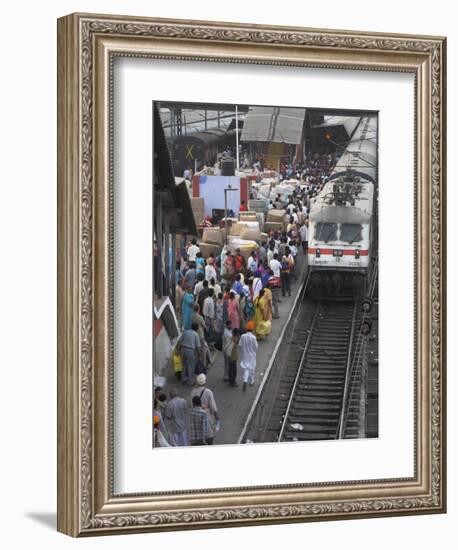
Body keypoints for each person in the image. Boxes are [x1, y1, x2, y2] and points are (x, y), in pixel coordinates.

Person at [190, 374, 219, 444]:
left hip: (195, 415)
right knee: (209, 434)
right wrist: (216, 416)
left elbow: (191, 405)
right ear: (205, 382)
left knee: (197, 432)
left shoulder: (193, 392)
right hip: (206, 414)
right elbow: (212, 406)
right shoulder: (208, 392)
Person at [239, 321, 258, 391]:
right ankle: (251, 381)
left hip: (245, 355)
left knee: (246, 368)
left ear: (246, 328)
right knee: (252, 368)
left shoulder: (243, 336)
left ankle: (246, 380)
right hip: (252, 355)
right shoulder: (253, 337)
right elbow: (256, 347)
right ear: (252, 329)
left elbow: (240, 344)